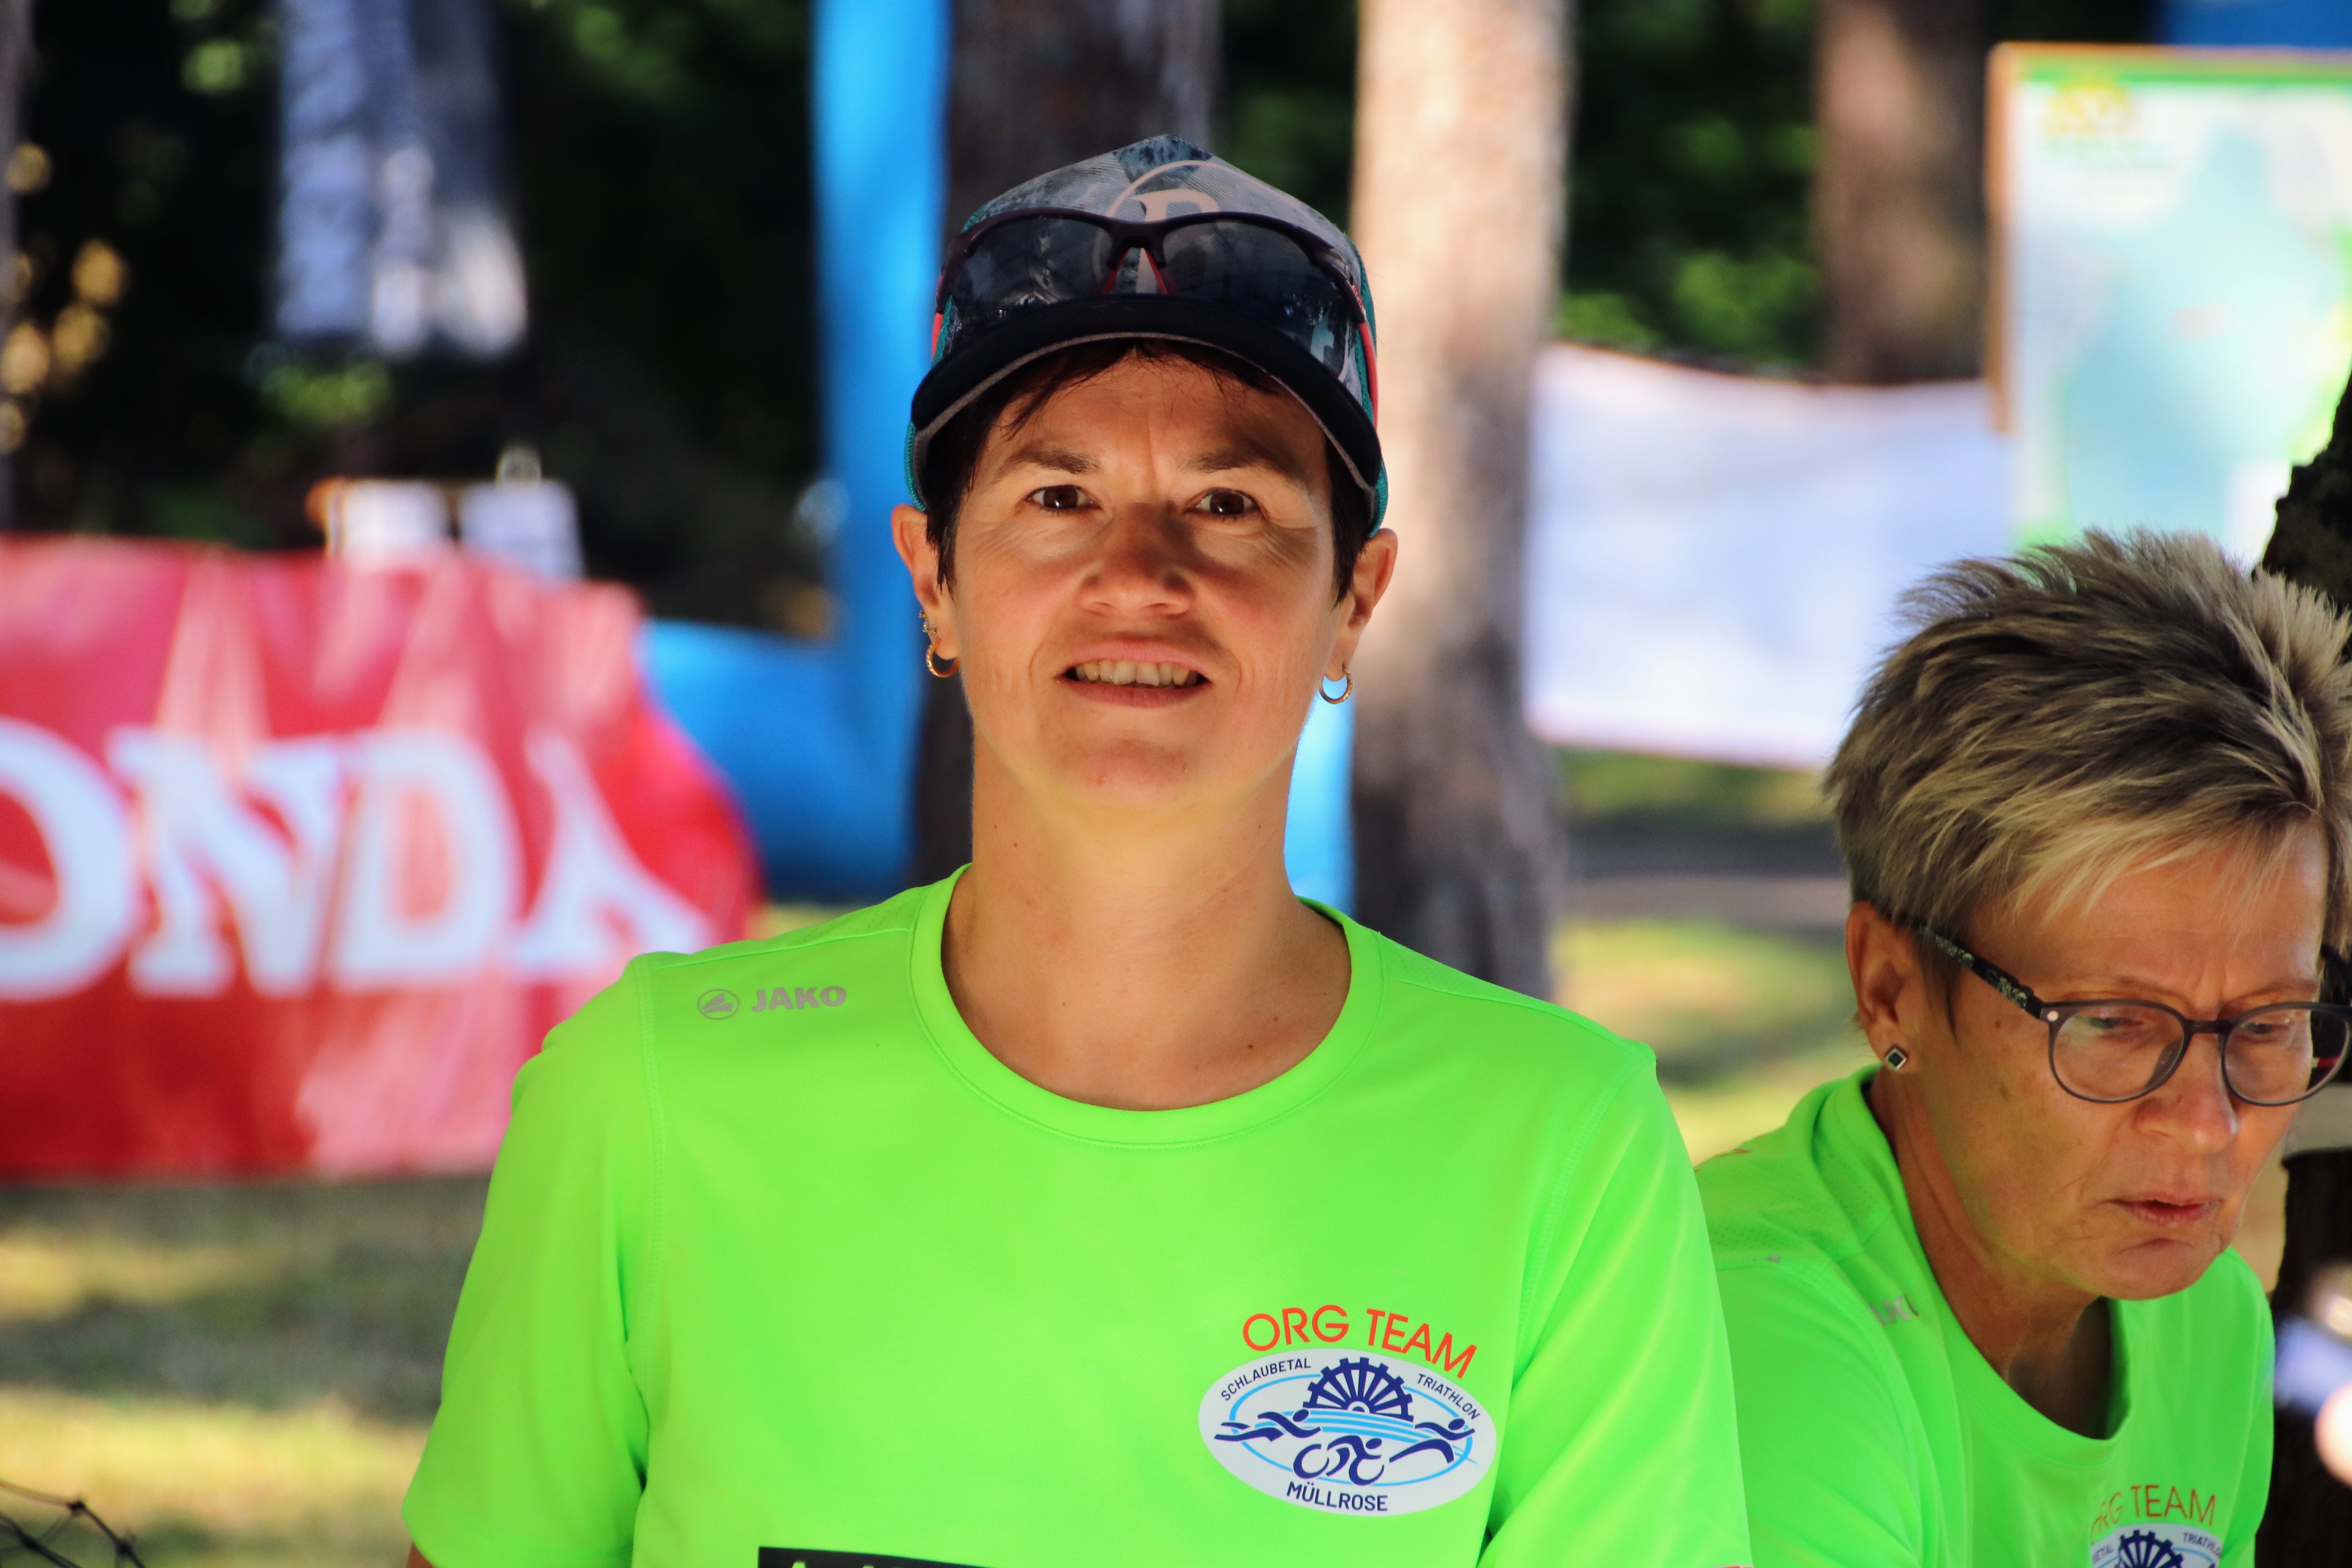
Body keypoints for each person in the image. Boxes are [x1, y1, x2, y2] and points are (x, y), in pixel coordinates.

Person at [399, 137, 1752, 1567]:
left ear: (1354, 599)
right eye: (1058, 499)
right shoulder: (650, 1095)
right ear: (935, 578)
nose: (1140, 577)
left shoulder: (1565, 1143)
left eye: (1230, 505)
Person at [1699, 531, 2352, 1568]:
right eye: (2113, 1023)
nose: (2206, 1125)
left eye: (2269, 1023)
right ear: (1891, 991)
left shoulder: (2206, 1318)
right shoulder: (1759, 1334)